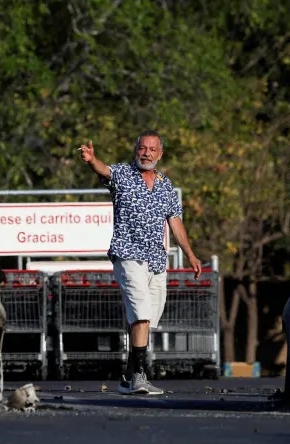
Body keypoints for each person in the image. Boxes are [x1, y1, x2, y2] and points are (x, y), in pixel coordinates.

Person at [79, 130, 202, 395]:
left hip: (156, 260)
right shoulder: (123, 174)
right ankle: (138, 376)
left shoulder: (166, 186)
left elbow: (175, 222)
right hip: (128, 254)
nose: (146, 153)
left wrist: (190, 254)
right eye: (142, 148)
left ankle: (127, 377)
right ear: (136, 150)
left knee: (145, 320)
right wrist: (91, 160)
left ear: (160, 154)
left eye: (151, 149)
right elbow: (104, 170)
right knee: (142, 313)